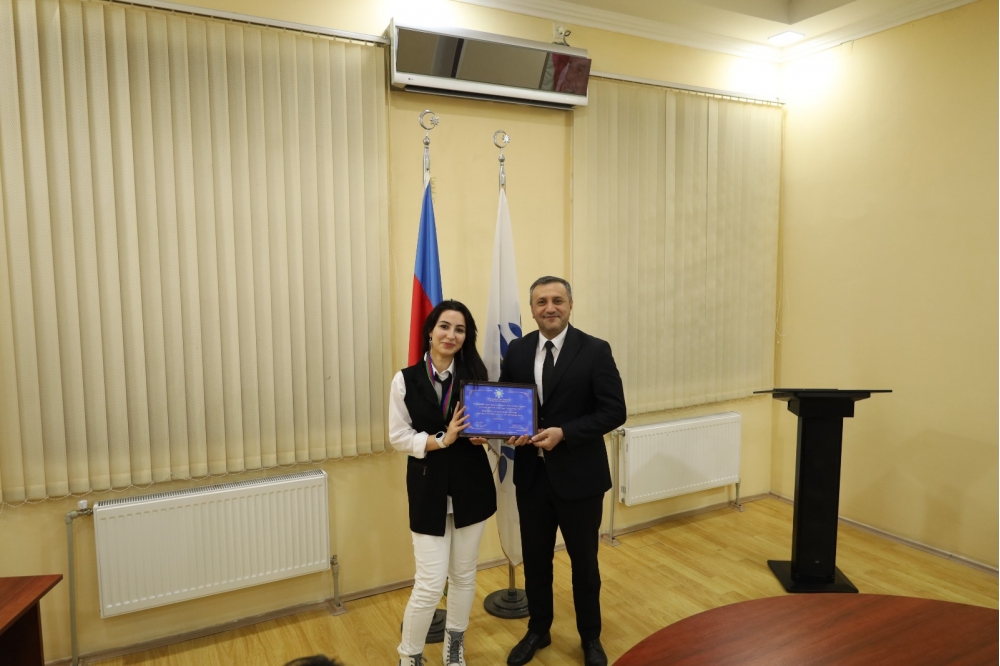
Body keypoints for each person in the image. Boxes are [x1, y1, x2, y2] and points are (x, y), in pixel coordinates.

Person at [500, 277, 626, 666]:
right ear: (532, 309)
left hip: (580, 479)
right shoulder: (518, 350)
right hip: (532, 478)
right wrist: (507, 430)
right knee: (536, 563)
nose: (549, 307)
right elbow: (507, 405)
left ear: (570, 305)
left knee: (584, 565)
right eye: (541, 302)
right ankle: (538, 630)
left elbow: (614, 410)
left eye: (557, 300)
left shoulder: (595, 350)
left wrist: (565, 433)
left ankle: (590, 637)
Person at [389, 300, 497, 666]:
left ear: (467, 337)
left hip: (472, 487)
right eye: (445, 327)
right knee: (430, 582)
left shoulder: (476, 376)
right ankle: (409, 657)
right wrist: (442, 440)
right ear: (430, 331)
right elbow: (398, 437)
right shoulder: (405, 379)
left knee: (464, 576)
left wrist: (485, 436)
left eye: (460, 329)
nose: (451, 335)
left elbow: (492, 426)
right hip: (428, 489)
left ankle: (454, 649)